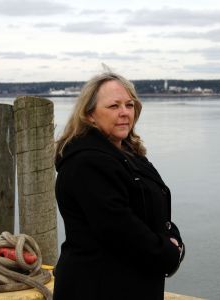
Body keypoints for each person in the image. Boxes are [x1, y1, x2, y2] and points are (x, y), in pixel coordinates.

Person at [53, 71, 185, 300]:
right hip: (96, 288)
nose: (124, 113)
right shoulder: (86, 164)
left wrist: (174, 238)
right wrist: (169, 253)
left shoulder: (127, 153)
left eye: (129, 105)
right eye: (114, 106)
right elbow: (120, 230)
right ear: (90, 115)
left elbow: (152, 209)